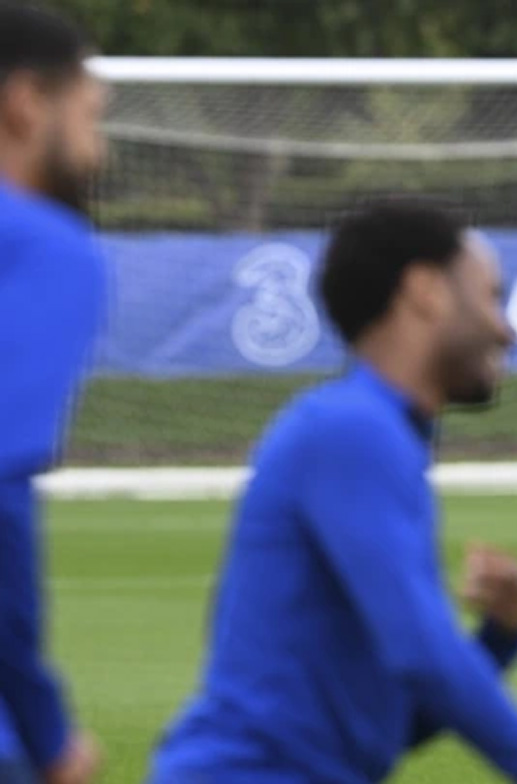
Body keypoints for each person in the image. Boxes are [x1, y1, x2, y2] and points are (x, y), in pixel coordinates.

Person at [149, 200, 517, 784]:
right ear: (425, 291)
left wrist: (500, 639)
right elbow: (424, 653)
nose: (505, 328)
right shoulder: (353, 431)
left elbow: (374, 730)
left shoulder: (373, 432)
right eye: (489, 297)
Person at [0, 3, 109, 783]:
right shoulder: (48, 249)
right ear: (27, 103)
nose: (98, 144)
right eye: (89, 112)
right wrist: (47, 736)